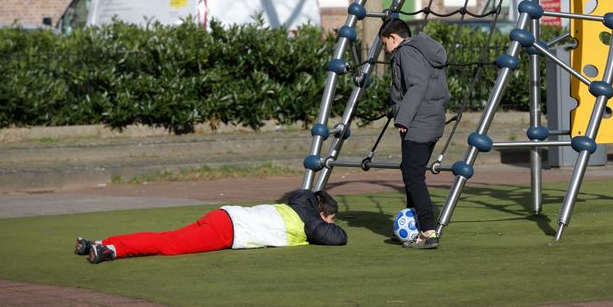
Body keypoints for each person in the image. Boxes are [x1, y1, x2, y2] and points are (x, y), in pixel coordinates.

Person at [75, 189, 346, 264]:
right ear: (322, 213)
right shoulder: (308, 220)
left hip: (223, 216)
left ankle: (101, 243)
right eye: (330, 219)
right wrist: (327, 224)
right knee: (167, 245)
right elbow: (336, 238)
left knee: (166, 238)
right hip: (227, 230)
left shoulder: (296, 204)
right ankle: (111, 249)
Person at [379, 18, 450, 250]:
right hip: (432, 120)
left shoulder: (405, 53)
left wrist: (403, 118)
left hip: (418, 123)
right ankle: (415, 227)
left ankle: (429, 232)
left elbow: (417, 85)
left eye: (384, 44)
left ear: (393, 38)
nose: (385, 50)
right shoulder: (424, 50)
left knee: (413, 175)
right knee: (410, 171)